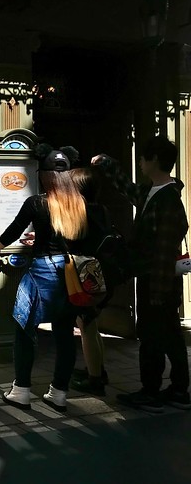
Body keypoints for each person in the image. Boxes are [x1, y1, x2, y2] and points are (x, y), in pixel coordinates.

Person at [0, 144, 85, 413]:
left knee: (25, 330)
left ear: (46, 175)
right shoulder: (79, 204)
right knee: (65, 334)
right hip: (70, 273)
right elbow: (69, 237)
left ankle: (22, 390)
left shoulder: (37, 202)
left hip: (41, 271)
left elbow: (14, 229)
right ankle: (59, 393)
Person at [92, 135, 190, 412]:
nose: (141, 161)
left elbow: (163, 252)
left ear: (155, 160)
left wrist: (157, 293)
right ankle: (179, 390)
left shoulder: (168, 201)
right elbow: (129, 189)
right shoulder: (152, 193)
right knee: (169, 335)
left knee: (152, 336)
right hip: (156, 279)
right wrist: (107, 164)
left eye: (144, 157)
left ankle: (152, 390)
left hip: (158, 281)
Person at [67, 167, 111, 397]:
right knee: (93, 327)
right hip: (101, 274)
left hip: (86, 277)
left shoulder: (80, 213)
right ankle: (98, 370)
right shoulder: (101, 210)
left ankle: (95, 380)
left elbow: (70, 241)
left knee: (86, 327)